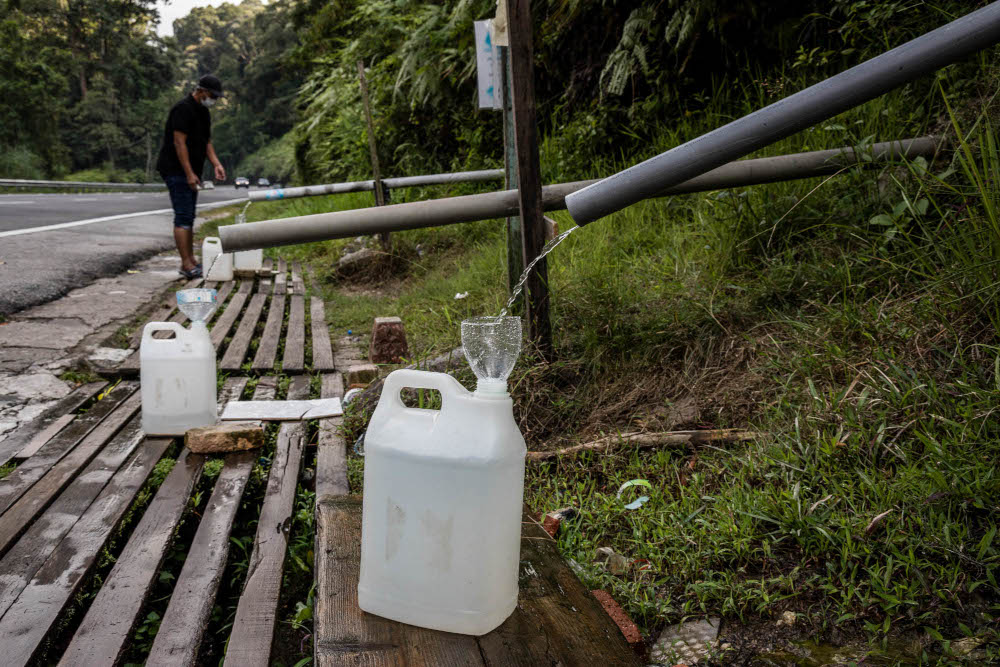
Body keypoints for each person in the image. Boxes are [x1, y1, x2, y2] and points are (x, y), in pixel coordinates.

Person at [156, 74, 227, 278]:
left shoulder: (203, 112)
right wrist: (188, 173)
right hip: (175, 169)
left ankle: (191, 261)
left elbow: (206, 142)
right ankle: (186, 265)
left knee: (189, 215)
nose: (214, 99)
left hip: (192, 170)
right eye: (212, 95)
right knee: (183, 217)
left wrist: (216, 164)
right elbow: (179, 143)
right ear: (201, 91)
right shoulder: (182, 109)